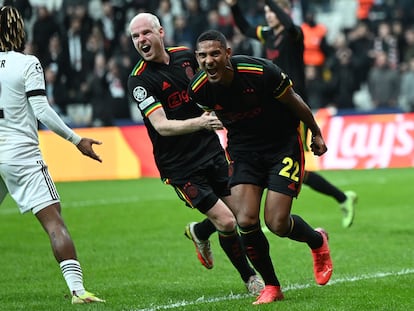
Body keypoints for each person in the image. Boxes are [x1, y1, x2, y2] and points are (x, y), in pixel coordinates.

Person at [188, 29, 333, 305]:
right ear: (197, 58)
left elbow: (296, 102)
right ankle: (272, 286)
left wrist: (315, 132)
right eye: (203, 55)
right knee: (245, 220)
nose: (209, 60)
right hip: (244, 151)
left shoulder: (260, 71)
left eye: (215, 53)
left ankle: (317, 241)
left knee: (277, 223)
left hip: (282, 145)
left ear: (227, 54)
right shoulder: (199, 90)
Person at [127, 12, 264, 295]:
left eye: (146, 33)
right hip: (179, 166)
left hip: (211, 151)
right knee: (226, 221)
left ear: (160, 32)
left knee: (241, 215)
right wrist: (202, 121)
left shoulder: (187, 57)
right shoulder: (139, 81)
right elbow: (162, 126)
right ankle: (251, 279)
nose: (141, 40)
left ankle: (200, 232)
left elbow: (213, 85)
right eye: (135, 36)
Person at [0, 6, 104, 304]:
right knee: (53, 221)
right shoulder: (28, 63)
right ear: (22, 31)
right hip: (20, 154)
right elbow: (42, 110)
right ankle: (78, 291)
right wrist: (76, 139)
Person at [224, 0, 357, 228]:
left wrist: (270, 2)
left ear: (284, 11)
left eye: (272, 12)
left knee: (292, 165)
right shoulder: (268, 35)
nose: (269, 16)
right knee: (277, 162)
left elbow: (288, 23)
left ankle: (341, 197)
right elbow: (245, 28)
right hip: (272, 106)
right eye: (266, 12)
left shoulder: (294, 34)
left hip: (293, 106)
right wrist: (234, 6)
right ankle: (340, 197)